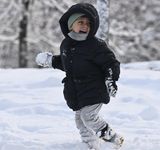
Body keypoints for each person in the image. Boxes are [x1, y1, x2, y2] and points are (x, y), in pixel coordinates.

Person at [35, 3, 123, 150]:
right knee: (80, 120)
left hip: (94, 89)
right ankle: (90, 144)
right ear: (70, 24)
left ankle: (114, 139)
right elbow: (69, 64)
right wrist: (51, 61)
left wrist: (110, 79)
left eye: (88, 23)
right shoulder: (67, 44)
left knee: (89, 117)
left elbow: (110, 63)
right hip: (77, 91)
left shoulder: (96, 45)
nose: (85, 26)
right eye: (80, 22)